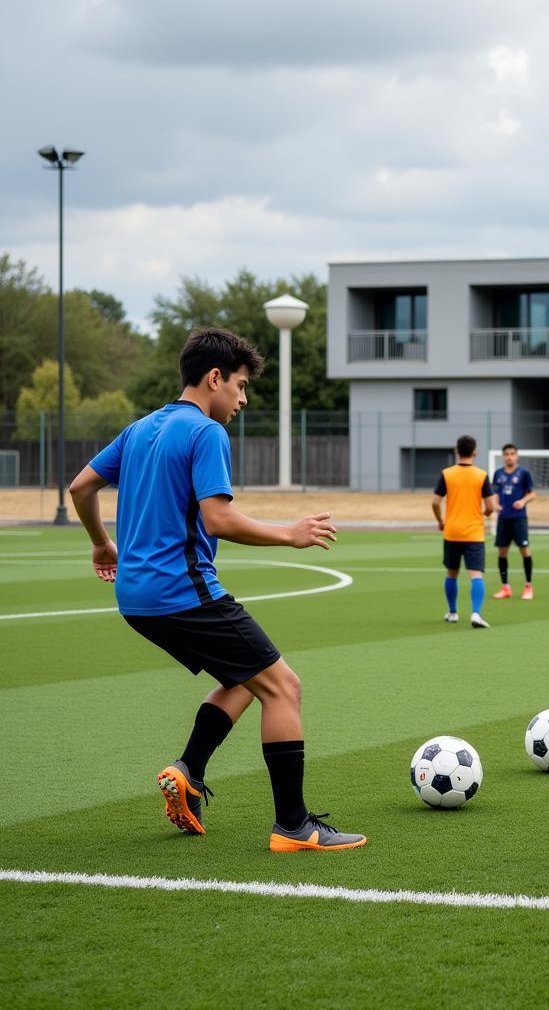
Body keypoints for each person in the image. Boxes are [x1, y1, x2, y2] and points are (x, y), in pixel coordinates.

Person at [68, 327, 366, 853]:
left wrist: (100, 544)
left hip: (136, 598)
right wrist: (289, 535)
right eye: (241, 386)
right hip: (180, 591)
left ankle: (189, 770)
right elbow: (219, 518)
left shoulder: (140, 429)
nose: (243, 399)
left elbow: (80, 486)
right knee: (282, 687)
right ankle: (294, 826)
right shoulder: (207, 433)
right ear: (214, 378)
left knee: (246, 676)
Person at [431, 435, 498, 628]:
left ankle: (452, 612)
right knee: (476, 574)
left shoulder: (447, 474)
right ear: (474, 452)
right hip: (474, 533)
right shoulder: (481, 475)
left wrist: (440, 521)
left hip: (452, 531)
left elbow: (435, 502)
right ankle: (476, 613)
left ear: (456, 451)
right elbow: (491, 506)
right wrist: (483, 515)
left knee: (451, 573)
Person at [492, 443, 537, 600]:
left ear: (516, 456)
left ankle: (528, 586)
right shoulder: (498, 474)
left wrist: (523, 501)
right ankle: (505, 587)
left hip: (518, 518)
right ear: (503, 456)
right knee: (502, 552)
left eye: (512, 453)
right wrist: (495, 504)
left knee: (524, 550)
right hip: (503, 519)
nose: (509, 456)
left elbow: (532, 494)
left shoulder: (524, 473)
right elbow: (496, 493)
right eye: (507, 454)